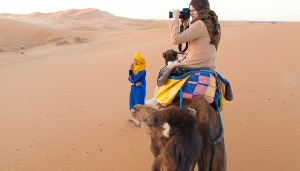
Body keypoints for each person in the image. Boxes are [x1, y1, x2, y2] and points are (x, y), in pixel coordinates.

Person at [146, 0, 221, 106]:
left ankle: (156, 99)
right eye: (190, 10)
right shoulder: (213, 24)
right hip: (210, 66)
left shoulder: (199, 24)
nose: (191, 13)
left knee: (165, 69)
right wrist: (185, 24)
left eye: (193, 10)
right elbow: (195, 38)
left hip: (195, 64)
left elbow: (175, 40)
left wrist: (175, 20)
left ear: (201, 10)